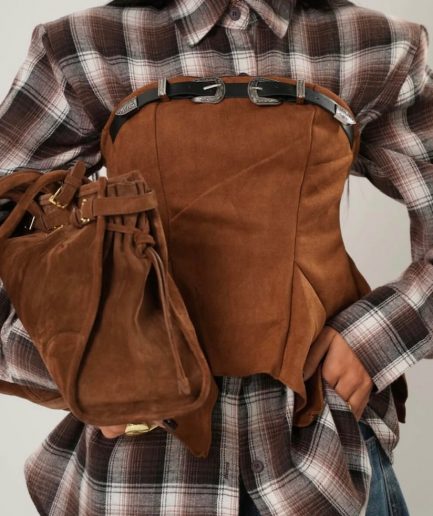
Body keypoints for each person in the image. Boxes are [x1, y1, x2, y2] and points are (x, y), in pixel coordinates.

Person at [0, 0, 431, 514]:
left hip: (323, 459)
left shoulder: (377, 47)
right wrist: (79, 364)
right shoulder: (82, 48)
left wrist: (374, 339)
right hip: (142, 479)